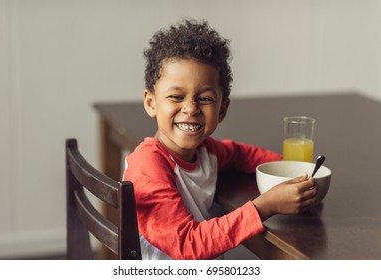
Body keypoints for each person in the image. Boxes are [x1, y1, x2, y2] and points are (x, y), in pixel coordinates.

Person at [123, 19, 316, 260]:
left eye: (204, 99)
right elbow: (187, 243)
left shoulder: (206, 152)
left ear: (222, 109)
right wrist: (265, 206)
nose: (190, 108)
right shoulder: (148, 167)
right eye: (176, 97)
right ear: (151, 102)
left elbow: (242, 155)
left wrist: (290, 172)